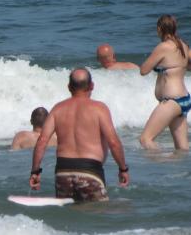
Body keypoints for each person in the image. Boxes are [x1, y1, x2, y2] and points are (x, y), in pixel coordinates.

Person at [29, 68, 129, 202]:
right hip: (90, 171)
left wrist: (35, 172)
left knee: (67, 220)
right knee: (97, 218)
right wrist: (123, 168)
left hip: (62, 172)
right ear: (92, 86)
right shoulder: (99, 108)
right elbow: (113, 142)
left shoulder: (57, 109)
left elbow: (42, 141)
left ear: (69, 87)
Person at [139, 15, 191, 150]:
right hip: (184, 100)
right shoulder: (182, 44)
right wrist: (181, 67)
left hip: (172, 101)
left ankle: (161, 166)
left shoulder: (163, 47)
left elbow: (144, 70)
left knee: (145, 139)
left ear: (159, 29)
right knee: (182, 149)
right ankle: (183, 171)